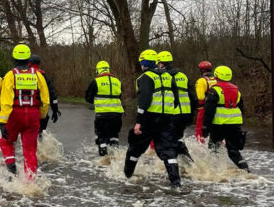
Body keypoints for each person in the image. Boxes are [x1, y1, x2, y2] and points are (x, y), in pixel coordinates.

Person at [124, 50, 186, 192]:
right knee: (168, 150)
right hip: (168, 118)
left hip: (150, 119)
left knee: (135, 147)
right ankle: (176, 183)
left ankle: (127, 176)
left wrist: (139, 122)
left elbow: (144, 101)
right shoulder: (168, 76)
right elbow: (176, 98)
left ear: (144, 63)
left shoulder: (145, 77)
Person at [0, 44, 50, 180]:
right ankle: (30, 182)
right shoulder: (38, 76)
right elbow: (45, 100)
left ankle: (10, 164)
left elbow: (6, 102)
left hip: (15, 115)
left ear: (14, 59)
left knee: (6, 141)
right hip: (33, 115)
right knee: (30, 150)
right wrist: (42, 116)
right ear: (28, 59)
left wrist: (2, 121)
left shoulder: (10, 76)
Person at [202, 65, 250, 172]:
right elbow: (241, 108)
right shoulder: (236, 90)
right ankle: (246, 170)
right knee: (233, 150)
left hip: (219, 124)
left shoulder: (214, 90)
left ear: (217, 76)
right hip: (235, 123)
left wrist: (205, 127)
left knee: (213, 148)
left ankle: (214, 171)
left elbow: (209, 110)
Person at [157, 51, 197, 160]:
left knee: (169, 140)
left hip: (172, 114)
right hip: (185, 114)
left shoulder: (163, 77)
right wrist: (192, 113)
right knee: (177, 137)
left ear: (161, 64)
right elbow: (193, 96)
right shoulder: (183, 75)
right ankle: (186, 163)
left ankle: (178, 163)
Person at [84, 60, 124, 156]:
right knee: (114, 136)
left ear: (98, 71)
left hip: (102, 114)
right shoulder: (118, 81)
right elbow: (120, 95)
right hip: (117, 114)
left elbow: (88, 98)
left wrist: (95, 102)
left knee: (101, 137)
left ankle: (103, 160)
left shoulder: (95, 82)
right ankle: (116, 158)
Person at [28, 55, 61, 133]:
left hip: (24, 110)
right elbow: (52, 94)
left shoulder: (21, 75)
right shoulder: (43, 76)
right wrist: (55, 110)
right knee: (40, 133)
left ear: (28, 63)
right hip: (40, 111)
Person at [194, 60, 216, 141]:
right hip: (216, 109)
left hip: (204, 109)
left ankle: (200, 148)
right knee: (215, 130)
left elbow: (200, 97)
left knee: (200, 131)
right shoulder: (217, 79)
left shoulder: (201, 81)